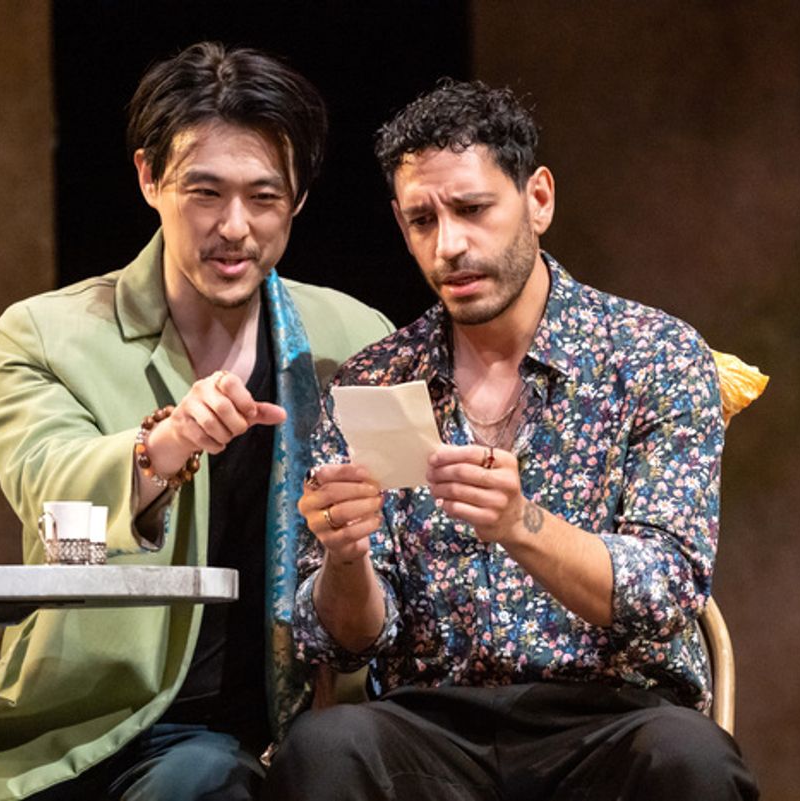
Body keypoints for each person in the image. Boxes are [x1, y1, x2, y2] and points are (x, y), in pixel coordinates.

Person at [0, 42, 391, 801]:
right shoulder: (47, 333)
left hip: (229, 741)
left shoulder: (352, 340)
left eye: (263, 197)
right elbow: (49, 486)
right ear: (148, 178)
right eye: (204, 192)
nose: (235, 227)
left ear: (296, 199)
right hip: (54, 720)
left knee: (198, 782)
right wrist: (165, 445)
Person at [264, 79, 759, 800]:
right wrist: (345, 557)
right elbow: (345, 638)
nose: (450, 244)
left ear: (539, 199)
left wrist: (519, 524)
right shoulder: (378, 377)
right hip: (434, 723)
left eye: (471, 209)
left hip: (609, 717)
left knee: (694, 759)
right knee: (324, 748)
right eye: (422, 221)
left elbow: (667, 589)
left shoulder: (652, 354)